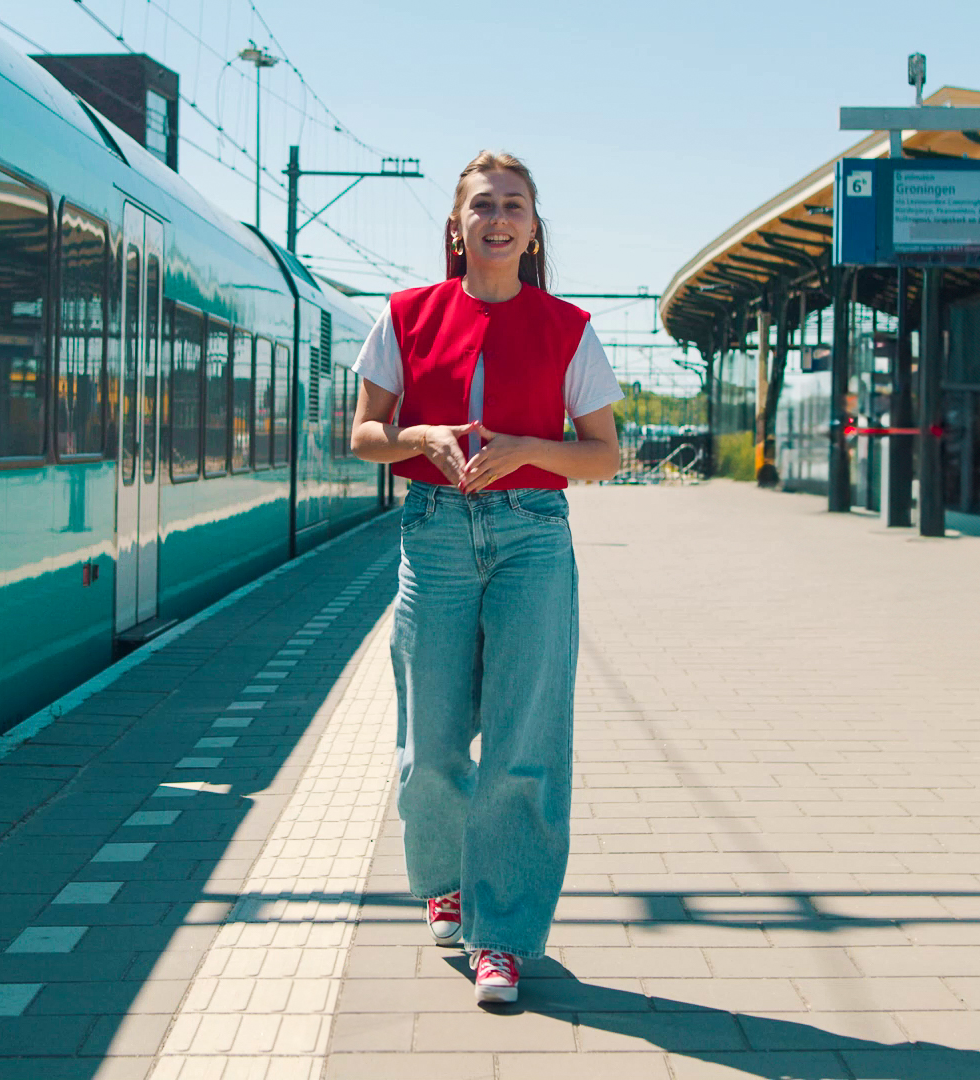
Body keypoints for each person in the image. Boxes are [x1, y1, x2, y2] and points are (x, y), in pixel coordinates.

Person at [349, 151, 623, 1005]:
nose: (497, 219)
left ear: (534, 229)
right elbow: (364, 434)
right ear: (456, 227)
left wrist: (529, 449)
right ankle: (445, 880)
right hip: (432, 534)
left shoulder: (569, 328)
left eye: (513, 206)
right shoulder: (404, 316)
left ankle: (500, 936)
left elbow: (606, 454)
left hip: (532, 539)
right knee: (429, 747)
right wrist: (421, 436)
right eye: (482, 206)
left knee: (523, 747)